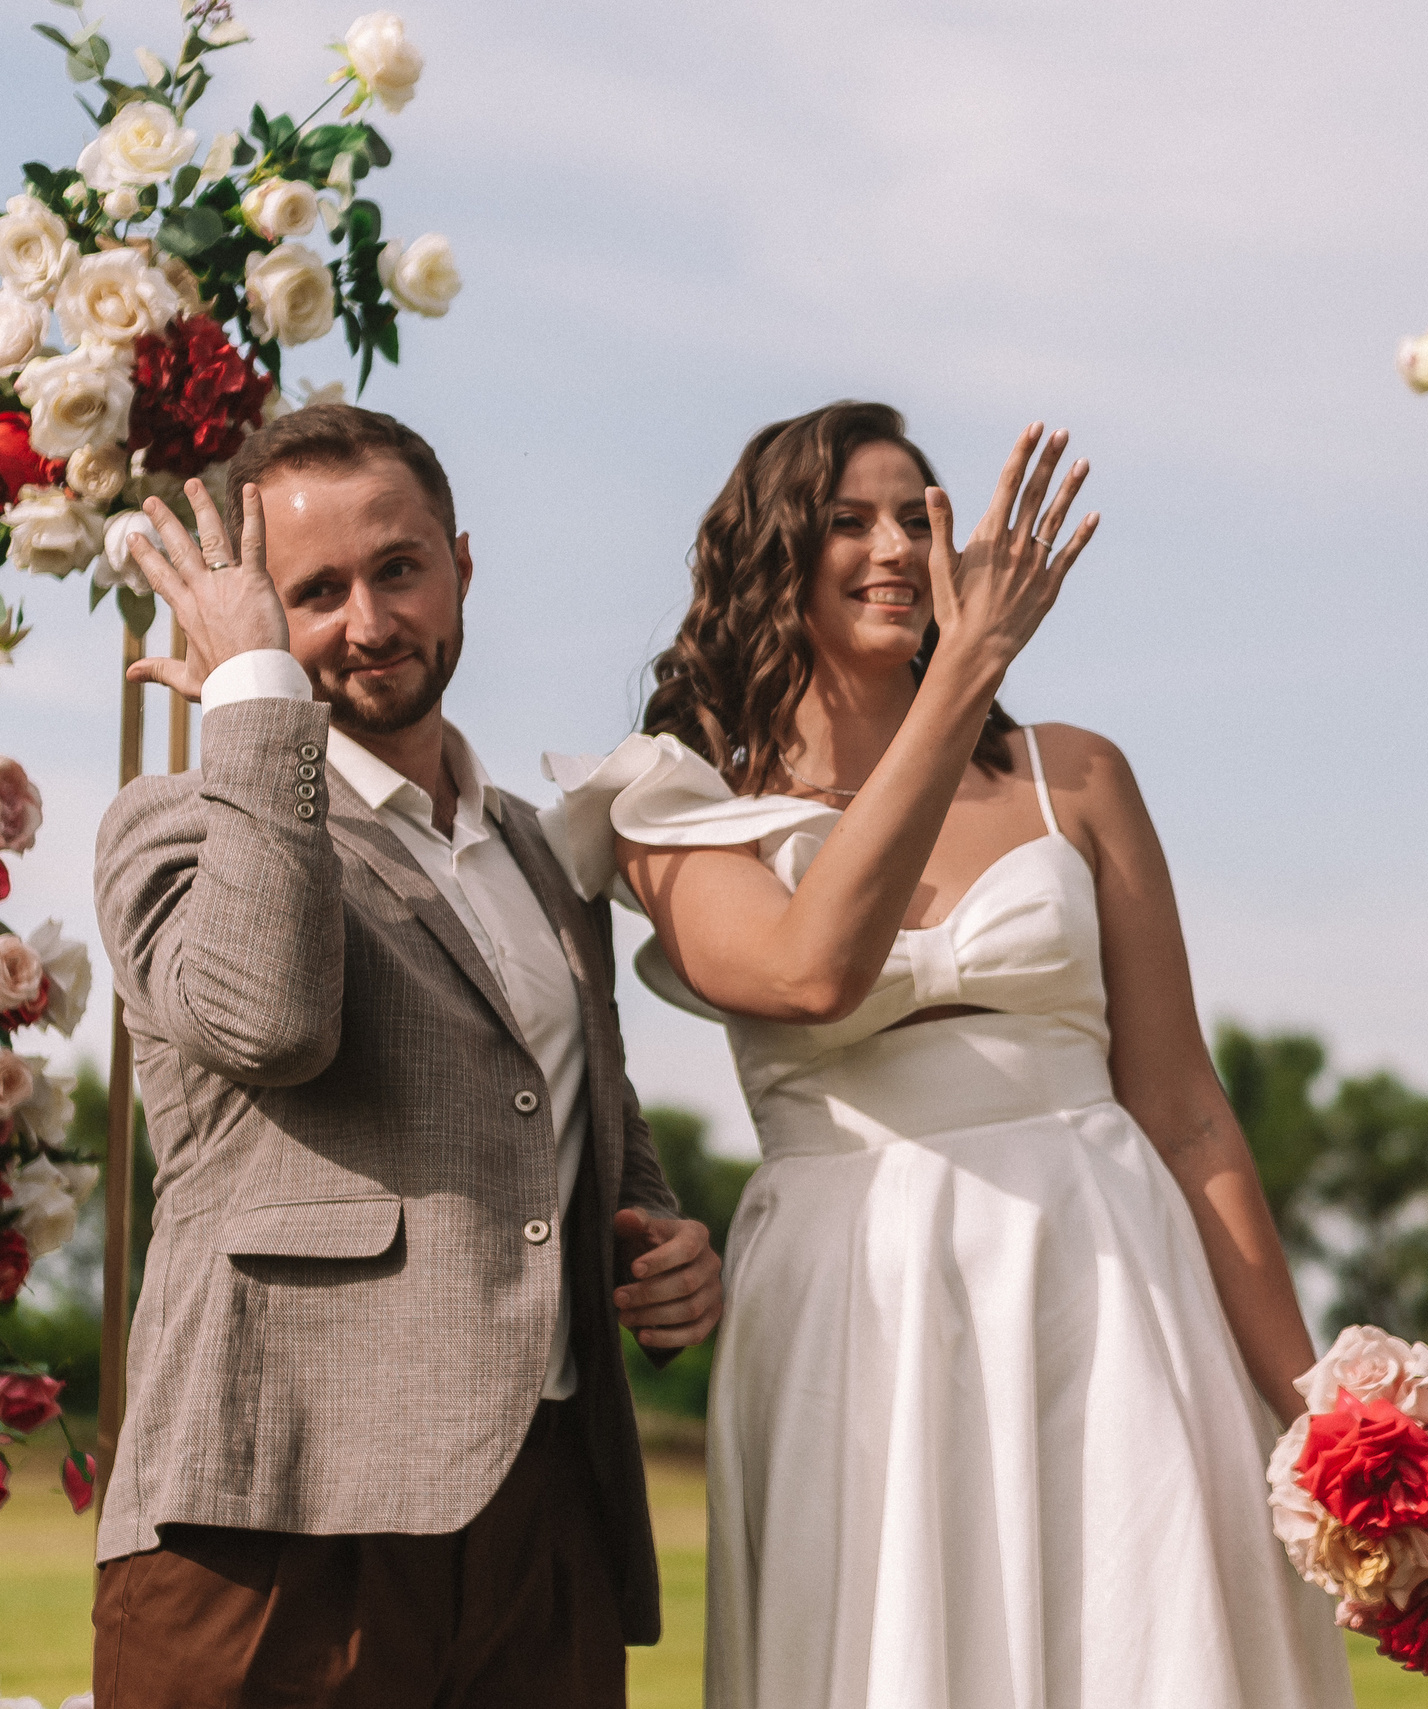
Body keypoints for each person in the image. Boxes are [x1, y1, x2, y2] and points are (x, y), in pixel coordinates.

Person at [540, 402, 1353, 1707]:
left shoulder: (1074, 777)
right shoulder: (672, 800)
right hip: (861, 1291)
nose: (897, 548)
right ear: (770, 560)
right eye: (847, 520)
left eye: (917, 516)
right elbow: (809, 970)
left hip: (1112, 1271)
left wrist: (1319, 1404)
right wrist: (963, 671)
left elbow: (1187, 1110)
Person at [89, 404, 725, 1709]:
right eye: (313, 593)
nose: (368, 620)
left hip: (544, 1523)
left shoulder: (546, 857)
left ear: (462, 568)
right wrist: (256, 698)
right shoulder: (168, 832)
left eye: (398, 569)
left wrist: (658, 1243)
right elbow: (273, 1022)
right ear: (252, 618)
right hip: (274, 1517)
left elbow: (580, 1130)